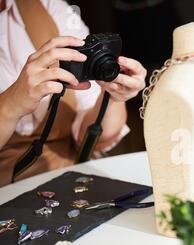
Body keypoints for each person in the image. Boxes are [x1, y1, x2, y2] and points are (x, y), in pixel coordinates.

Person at [0, 0, 146, 187]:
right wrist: (9, 106)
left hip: (71, 178)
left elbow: (95, 139)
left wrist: (112, 97)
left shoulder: (49, 6)